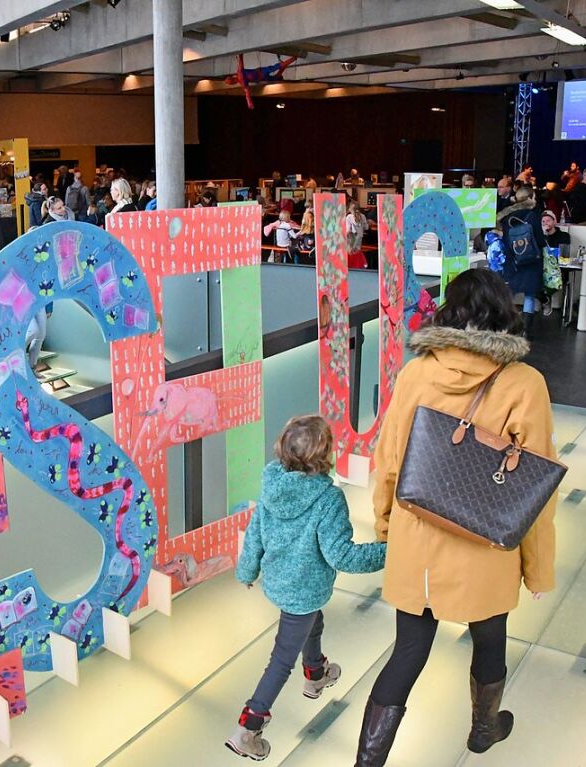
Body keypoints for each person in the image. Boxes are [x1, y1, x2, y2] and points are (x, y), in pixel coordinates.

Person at [355, 269, 556, 766]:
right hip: (484, 543)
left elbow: (389, 460)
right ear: (504, 313)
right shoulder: (525, 382)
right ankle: (484, 730)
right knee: (489, 638)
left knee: (408, 650)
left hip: (418, 536)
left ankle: (366, 762)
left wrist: (386, 527)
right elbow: (535, 489)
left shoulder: (417, 372)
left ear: (450, 311)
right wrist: (537, 565)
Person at [227, 415, 387, 761]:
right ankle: (248, 727)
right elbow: (342, 556)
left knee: (314, 623)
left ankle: (315, 673)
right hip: (304, 590)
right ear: (325, 455)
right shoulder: (328, 499)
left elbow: (254, 534)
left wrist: (246, 571)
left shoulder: (272, 487)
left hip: (280, 582)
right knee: (282, 658)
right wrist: (391, 553)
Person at [497, 185, 546, 338]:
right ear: (531, 197)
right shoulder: (533, 216)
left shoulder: (507, 217)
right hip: (531, 261)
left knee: (509, 294)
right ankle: (525, 331)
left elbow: (505, 241)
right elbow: (539, 239)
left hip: (513, 260)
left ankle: (504, 326)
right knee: (529, 296)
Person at [345, 201, 368, 269]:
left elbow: (348, 230)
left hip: (351, 237)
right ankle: (358, 265)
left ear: (350, 208)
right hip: (359, 237)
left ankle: (349, 265)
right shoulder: (363, 216)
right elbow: (366, 227)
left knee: (349, 252)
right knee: (357, 251)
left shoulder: (349, 217)